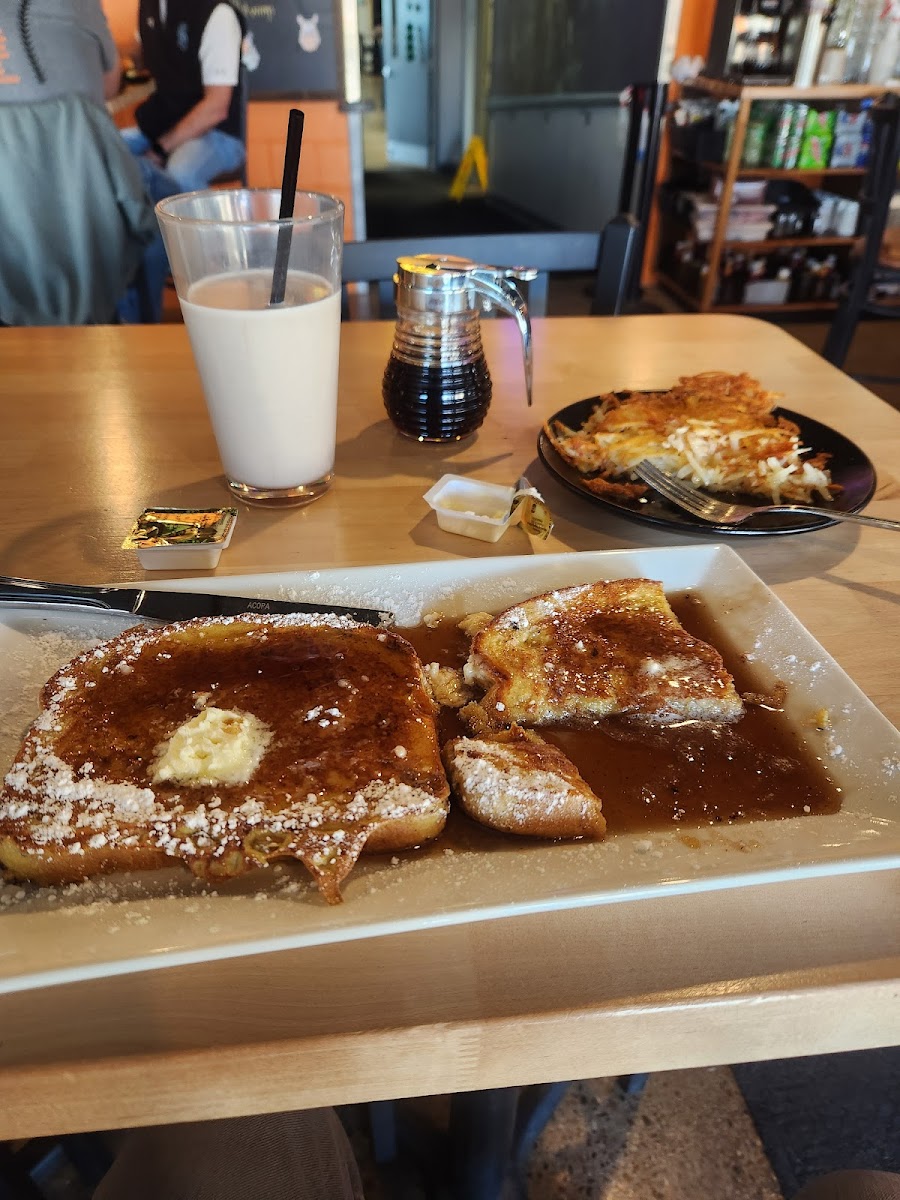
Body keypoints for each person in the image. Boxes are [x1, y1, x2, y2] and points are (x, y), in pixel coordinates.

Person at [0, 0, 163, 324]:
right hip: (86, 208)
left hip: (10, 238)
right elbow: (109, 87)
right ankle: (142, 328)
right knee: (165, 200)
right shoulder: (82, 5)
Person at [122, 0, 245, 197]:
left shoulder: (218, 13)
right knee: (98, 150)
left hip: (218, 133)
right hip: (163, 123)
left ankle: (205, 218)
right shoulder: (151, 6)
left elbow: (216, 108)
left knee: (180, 174)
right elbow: (139, 51)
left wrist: (159, 150)